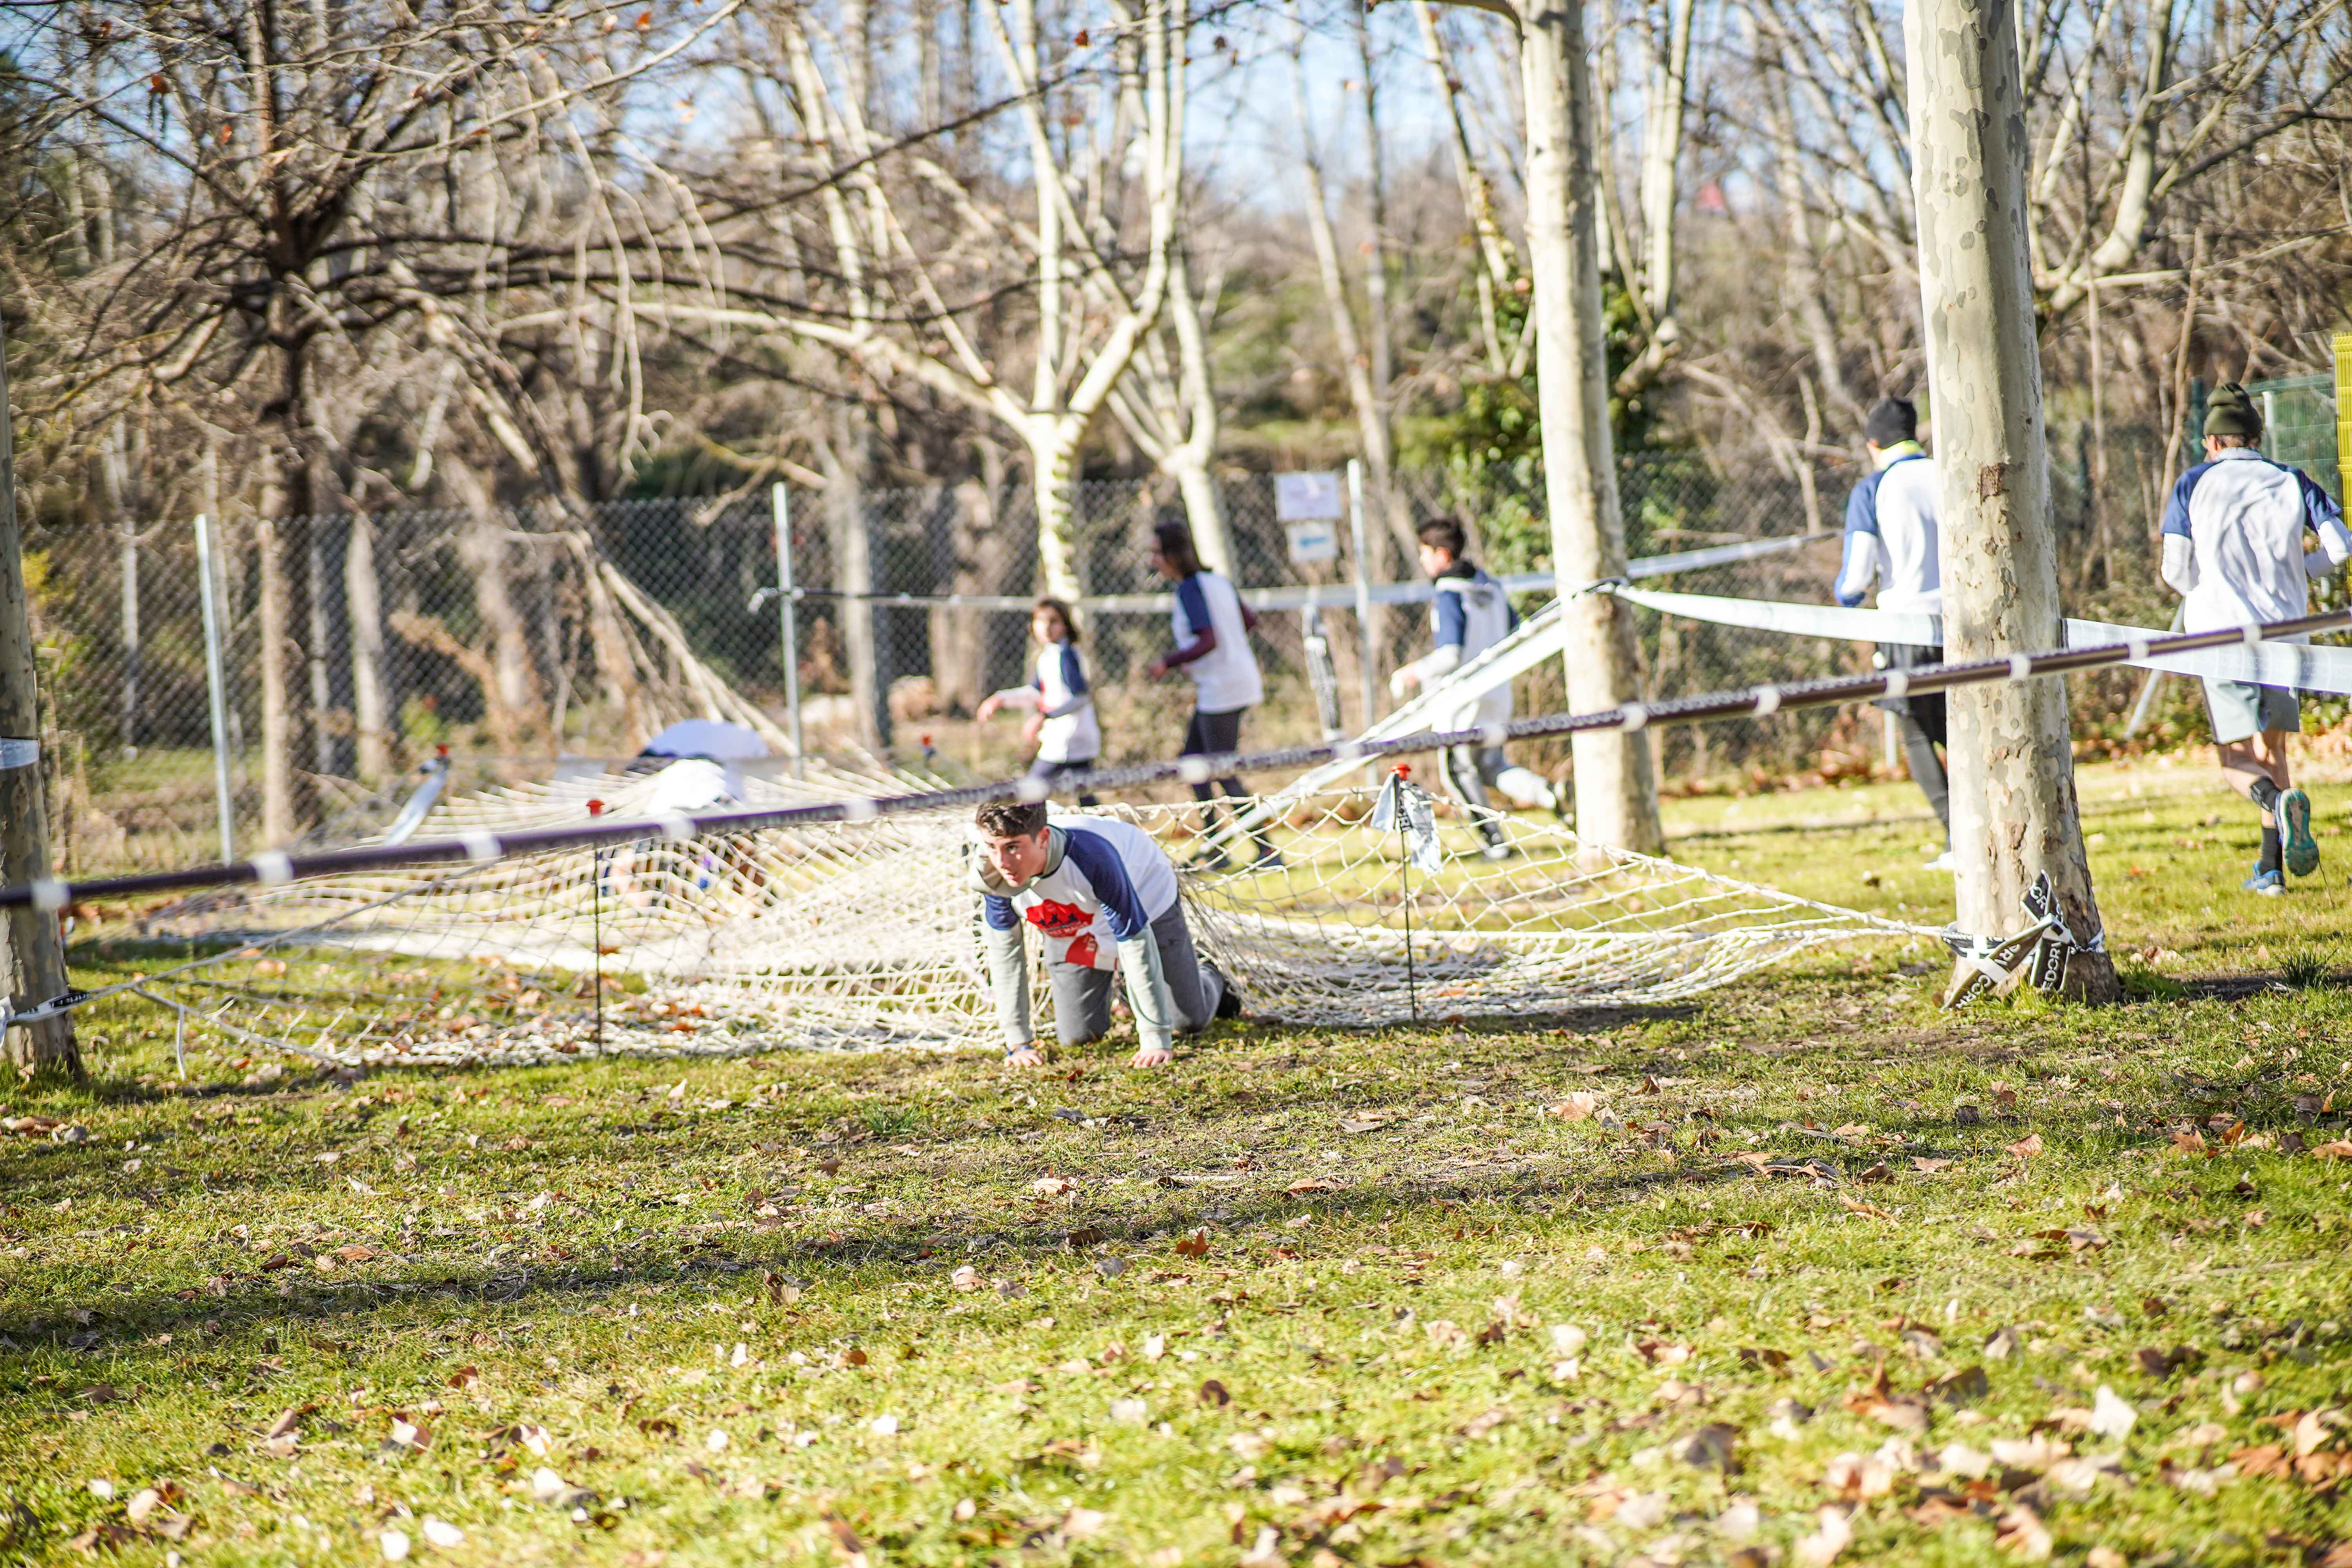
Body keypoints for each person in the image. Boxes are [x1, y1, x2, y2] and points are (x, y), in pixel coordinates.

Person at [2160, 383, 2350, 895]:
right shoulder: (2292, 480)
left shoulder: (2193, 484)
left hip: (2221, 636)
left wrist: (2215, 584)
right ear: (2255, 437)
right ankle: (2272, 871)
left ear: (2214, 441)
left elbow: (2175, 570)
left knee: (2233, 759)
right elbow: (2340, 547)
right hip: (2287, 637)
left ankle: (2271, 804)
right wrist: (2299, 571)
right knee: (2274, 752)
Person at [971, 799, 1235, 1069]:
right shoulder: (993, 873)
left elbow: (1134, 940)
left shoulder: (1091, 856)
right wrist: (1018, 1043)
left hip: (1145, 903)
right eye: (992, 847)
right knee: (1078, 1036)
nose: (1002, 861)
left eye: (1013, 847)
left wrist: (1154, 1037)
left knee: (1186, 1022)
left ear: (1044, 838)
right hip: (1076, 921)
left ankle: (1207, 972)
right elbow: (1005, 952)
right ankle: (1125, 987)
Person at [1389, 516, 1563, 860]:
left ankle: (1495, 845)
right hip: (1498, 694)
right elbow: (1517, 631)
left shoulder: (1448, 594)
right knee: (1491, 767)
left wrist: (1413, 672)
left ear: (1442, 555)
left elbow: (1450, 653)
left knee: (1459, 772)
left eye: (1425, 553)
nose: (1423, 561)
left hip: (1463, 701)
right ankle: (1549, 795)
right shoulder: (1491, 588)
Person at [1835, 396, 1954, 871]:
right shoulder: (1948, 473)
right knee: (1960, 730)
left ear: (1873, 444)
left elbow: (1855, 579)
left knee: (1917, 734)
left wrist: (1845, 594)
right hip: (1963, 625)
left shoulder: (1872, 488)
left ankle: (1956, 839)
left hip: (1905, 630)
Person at [1142, 516, 1279, 870]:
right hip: (1229, 681)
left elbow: (1209, 639)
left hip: (1224, 688)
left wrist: (1168, 663)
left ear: (1174, 555)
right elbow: (1247, 622)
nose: (1152, 560)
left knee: (1221, 768)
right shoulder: (1217, 581)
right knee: (1193, 763)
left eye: (1157, 553)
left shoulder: (1190, 588)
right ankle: (1216, 843)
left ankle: (1265, 848)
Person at [977, 597, 1100, 808]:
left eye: (1053, 621)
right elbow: (1036, 692)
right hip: (1068, 739)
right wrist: (1001, 699)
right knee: (1085, 798)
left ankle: (1029, 835)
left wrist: (1044, 718)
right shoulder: (1049, 655)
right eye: (1040, 621)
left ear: (1065, 625)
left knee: (1032, 790)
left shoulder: (1066, 654)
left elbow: (1081, 698)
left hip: (1070, 740)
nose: (1046, 628)